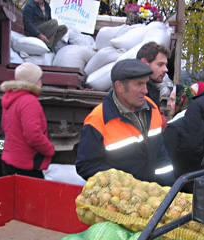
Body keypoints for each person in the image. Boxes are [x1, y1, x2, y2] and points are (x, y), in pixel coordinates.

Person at [76, 59, 175, 187]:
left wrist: (170, 188)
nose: (145, 90)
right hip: (120, 201)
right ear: (119, 87)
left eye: (145, 84)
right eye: (139, 84)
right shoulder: (97, 121)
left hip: (151, 198)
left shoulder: (152, 109)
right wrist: (122, 184)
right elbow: (86, 165)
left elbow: (161, 155)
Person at [0, 62, 55, 178]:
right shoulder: (29, 101)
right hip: (26, 163)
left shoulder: (11, 97)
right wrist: (49, 149)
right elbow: (33, 135)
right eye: (40, 78)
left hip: (11, 159)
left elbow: (4, 126)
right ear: (33, 81)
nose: (42, 82)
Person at [163, 84, 196, 183]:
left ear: (181, 102)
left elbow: (166, 158)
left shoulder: (174, 127)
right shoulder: (197, 121)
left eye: (172, 100)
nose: (168, 103)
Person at [136, 42, 171, 109]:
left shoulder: (150, 90)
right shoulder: (135, 95)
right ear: (144, 63)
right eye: (160, 65)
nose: (165, 70)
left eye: (165, 65)